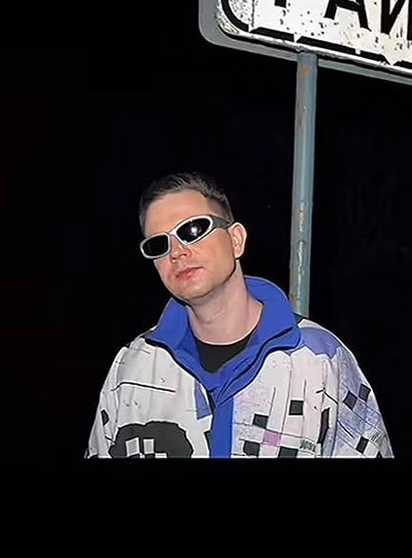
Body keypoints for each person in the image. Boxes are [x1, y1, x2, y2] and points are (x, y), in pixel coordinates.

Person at [86, 172, 393, 459]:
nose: (177, 252)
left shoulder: (319, 361)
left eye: (193, 230)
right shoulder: (134, 367)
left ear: (236, 240)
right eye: (159, 244)